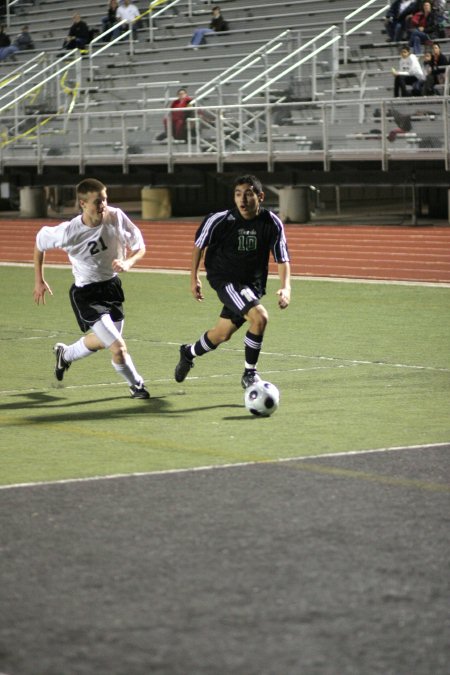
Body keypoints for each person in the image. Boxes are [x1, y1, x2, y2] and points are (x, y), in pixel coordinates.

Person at [33, 178, 150, 399]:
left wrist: (128, 263)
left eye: (105, 199)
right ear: (83, 204)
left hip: (112, 289)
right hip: (86, 295)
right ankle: (137, 386)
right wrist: (39, 279)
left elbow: (140, 246)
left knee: (105, 342)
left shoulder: (115, 216)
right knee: (118, 348)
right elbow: (39, 243)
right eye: (97, 201)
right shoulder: (69, 232)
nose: (103, 205)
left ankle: (65, 354)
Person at [174, 174, 291, 389]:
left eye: (248, 194)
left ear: (261, 196)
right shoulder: (220, 220)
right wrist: (194, 278)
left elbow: (282, 258)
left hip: (252, 285)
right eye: (238, 195)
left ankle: (188, 353)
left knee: (221, 334)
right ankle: (250, 374)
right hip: (225, 279)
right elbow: (198, 247)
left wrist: (286, 287)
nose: (242, 200)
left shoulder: (272, 223)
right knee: (260, 318)